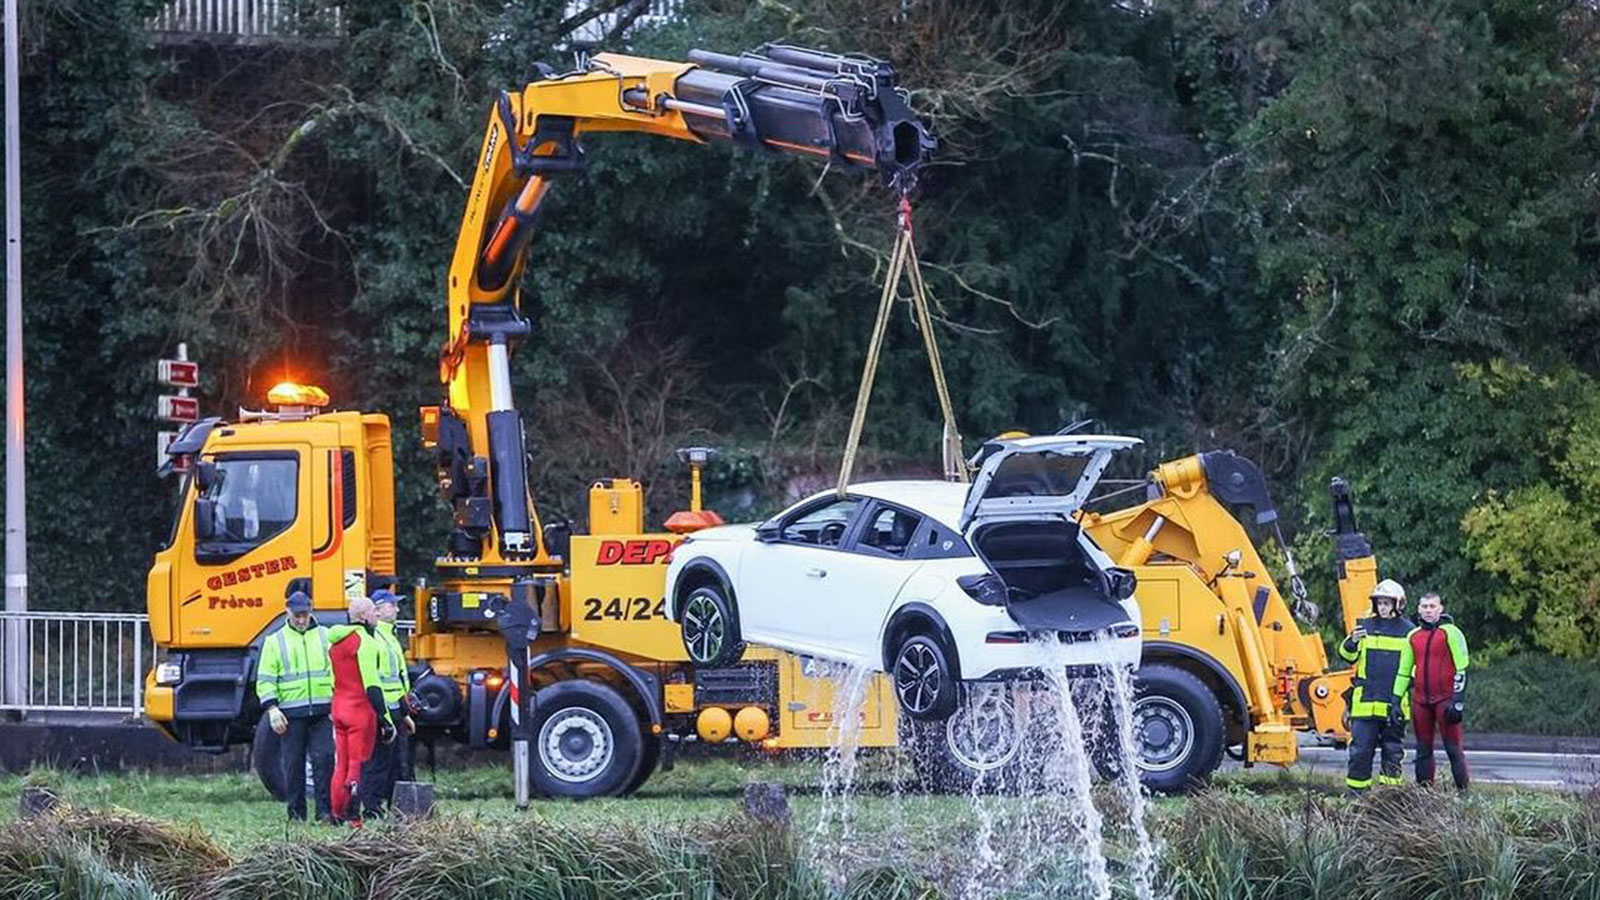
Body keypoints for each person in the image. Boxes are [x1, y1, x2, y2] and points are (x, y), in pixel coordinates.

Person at [253, 590, 334, 823]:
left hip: (321, 711)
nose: (301, 620)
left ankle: (325, 813)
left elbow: (335, 672)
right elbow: (266, 678)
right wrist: (272, 708)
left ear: (311, 611)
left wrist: (336, 701)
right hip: (290, 714)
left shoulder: (325, 636)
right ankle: (296, 814)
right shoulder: (275, 641)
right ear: (288, 612)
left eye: (305, 615)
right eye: (297, 615)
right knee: (293, 764)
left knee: (324, 761)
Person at [1338, 578, 1415, 794]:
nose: (1382, 607)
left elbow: (1415, 670)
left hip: (1394, 705)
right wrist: (1351, 641)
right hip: (1364, 704)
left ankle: (1389, 800)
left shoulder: (1409, 631)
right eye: (1379, 603)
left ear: (1398, 604)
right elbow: (1347, 656)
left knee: (1392, 754)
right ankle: (1356, 798)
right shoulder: (1364, 626)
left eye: (1386, 603)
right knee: (1360, 753)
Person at [327, 596, 395, 823]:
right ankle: (354, 818)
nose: (377, 615)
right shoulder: (365, 641)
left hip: (339, 707)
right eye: (374, 611)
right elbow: (372, 685)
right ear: (364, 616)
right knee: (357, 765)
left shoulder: (335, 641)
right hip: (359, 711)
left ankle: (337, 813)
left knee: (341, 765)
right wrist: (385, 719)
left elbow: (333, 679)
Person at [359, 588, 415, 816]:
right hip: (382, 710)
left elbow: (398, 678)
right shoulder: (376, 638)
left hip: (394, 709)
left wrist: (405, 711)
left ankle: (392, 806)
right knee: (378, 762)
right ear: (379, 610)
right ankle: (372, 808)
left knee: (394, 763)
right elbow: (375, 678)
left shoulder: (388, 636)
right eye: (393, 605)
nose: (398, 609)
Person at [1409, 591, 1470, 789]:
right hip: (1420, 701)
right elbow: (1403, 671)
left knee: (1453, 749)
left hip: (1445, 699)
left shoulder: (1451, 632)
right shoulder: (1413, 636)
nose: (1428, 610)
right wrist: (1395, 698)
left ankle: (1464, 794)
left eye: (1432, 606)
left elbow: (1462, 666)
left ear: (1440, 608)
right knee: (1422, 750)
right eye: (1424, 606)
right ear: (1418, 609)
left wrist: (1458, 701)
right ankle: (1424, 796)